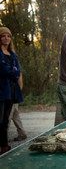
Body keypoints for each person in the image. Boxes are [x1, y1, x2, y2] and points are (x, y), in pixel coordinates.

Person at [0, 27, 23, 155]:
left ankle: (4, 146)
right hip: (1, 91)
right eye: (3, 36)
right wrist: (12, 71)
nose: (6, 38)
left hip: (11, 91)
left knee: (5, 120)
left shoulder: (12, 54)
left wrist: (12, 71)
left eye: (8, 36)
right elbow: (4, 69)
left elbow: (17, 71)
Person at [8, 73, 27, 141]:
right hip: (13, 94)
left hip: (12, 95)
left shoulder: (12, 66)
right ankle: (22, 133)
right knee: (15, 115)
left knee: (8, 116)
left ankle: (3, 138)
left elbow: (20, 81)